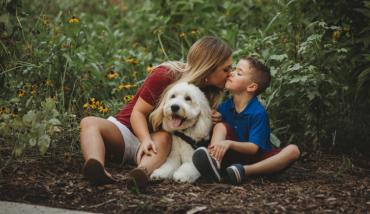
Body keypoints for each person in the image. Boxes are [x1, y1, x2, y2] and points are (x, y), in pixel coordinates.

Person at [80, 36, 232, 187]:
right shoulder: (165, 74)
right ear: (209, 67)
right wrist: (145, 139)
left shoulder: (206, 94)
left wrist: (210, 118)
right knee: (89, 122)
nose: (230, 74)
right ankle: (96, 168)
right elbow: (138, 112)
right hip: (125, 131)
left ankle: (141, 174)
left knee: (165, 137)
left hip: (158, 145)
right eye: (226, 69)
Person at [192, 57, 300, 185]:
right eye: (234, 70)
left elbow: (253, 148)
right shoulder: (225, 107)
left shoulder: (258, 113)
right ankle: (214, 162)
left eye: (239, 73)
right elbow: (217, 131)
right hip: (231, 157)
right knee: (220, 126)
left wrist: (229, 143)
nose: (231, 73)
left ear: (251, 86)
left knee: (293, 150)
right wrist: (213, 119)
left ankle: (244, 171)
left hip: (258, 160)